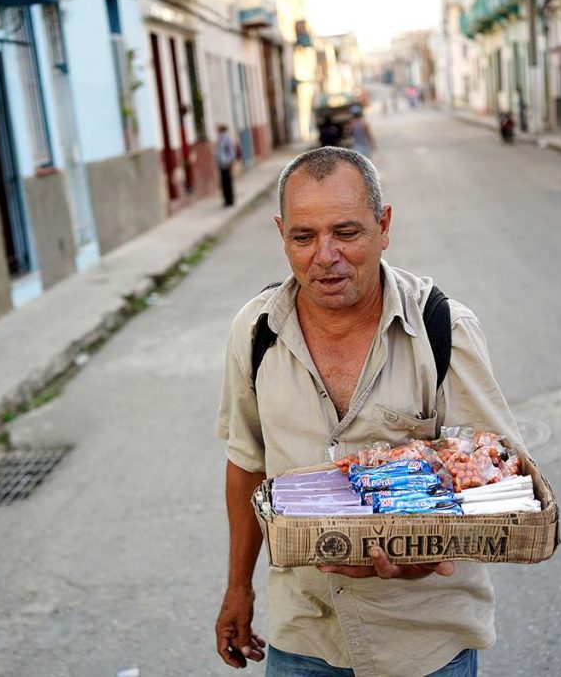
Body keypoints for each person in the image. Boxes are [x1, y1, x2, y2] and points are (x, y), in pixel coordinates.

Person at [215, 147, 524, 676]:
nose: (325, 256)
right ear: (281, 234)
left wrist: (418, 557)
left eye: (347, 232)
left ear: (384, 226)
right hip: (304, 635)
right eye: (303, 237)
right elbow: (248, 463)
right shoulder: (256, 330)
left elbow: (498, 490)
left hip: (423, 642)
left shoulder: (441, 329)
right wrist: (237, 587)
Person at [217, 124, 237, 207]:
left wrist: (230, 161)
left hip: (227, 163)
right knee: (224, 183)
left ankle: (230, 200)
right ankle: (226, 200)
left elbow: (231, 151)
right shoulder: (220, 139)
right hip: (222, 164)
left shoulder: (227, 139)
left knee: (228, 182)